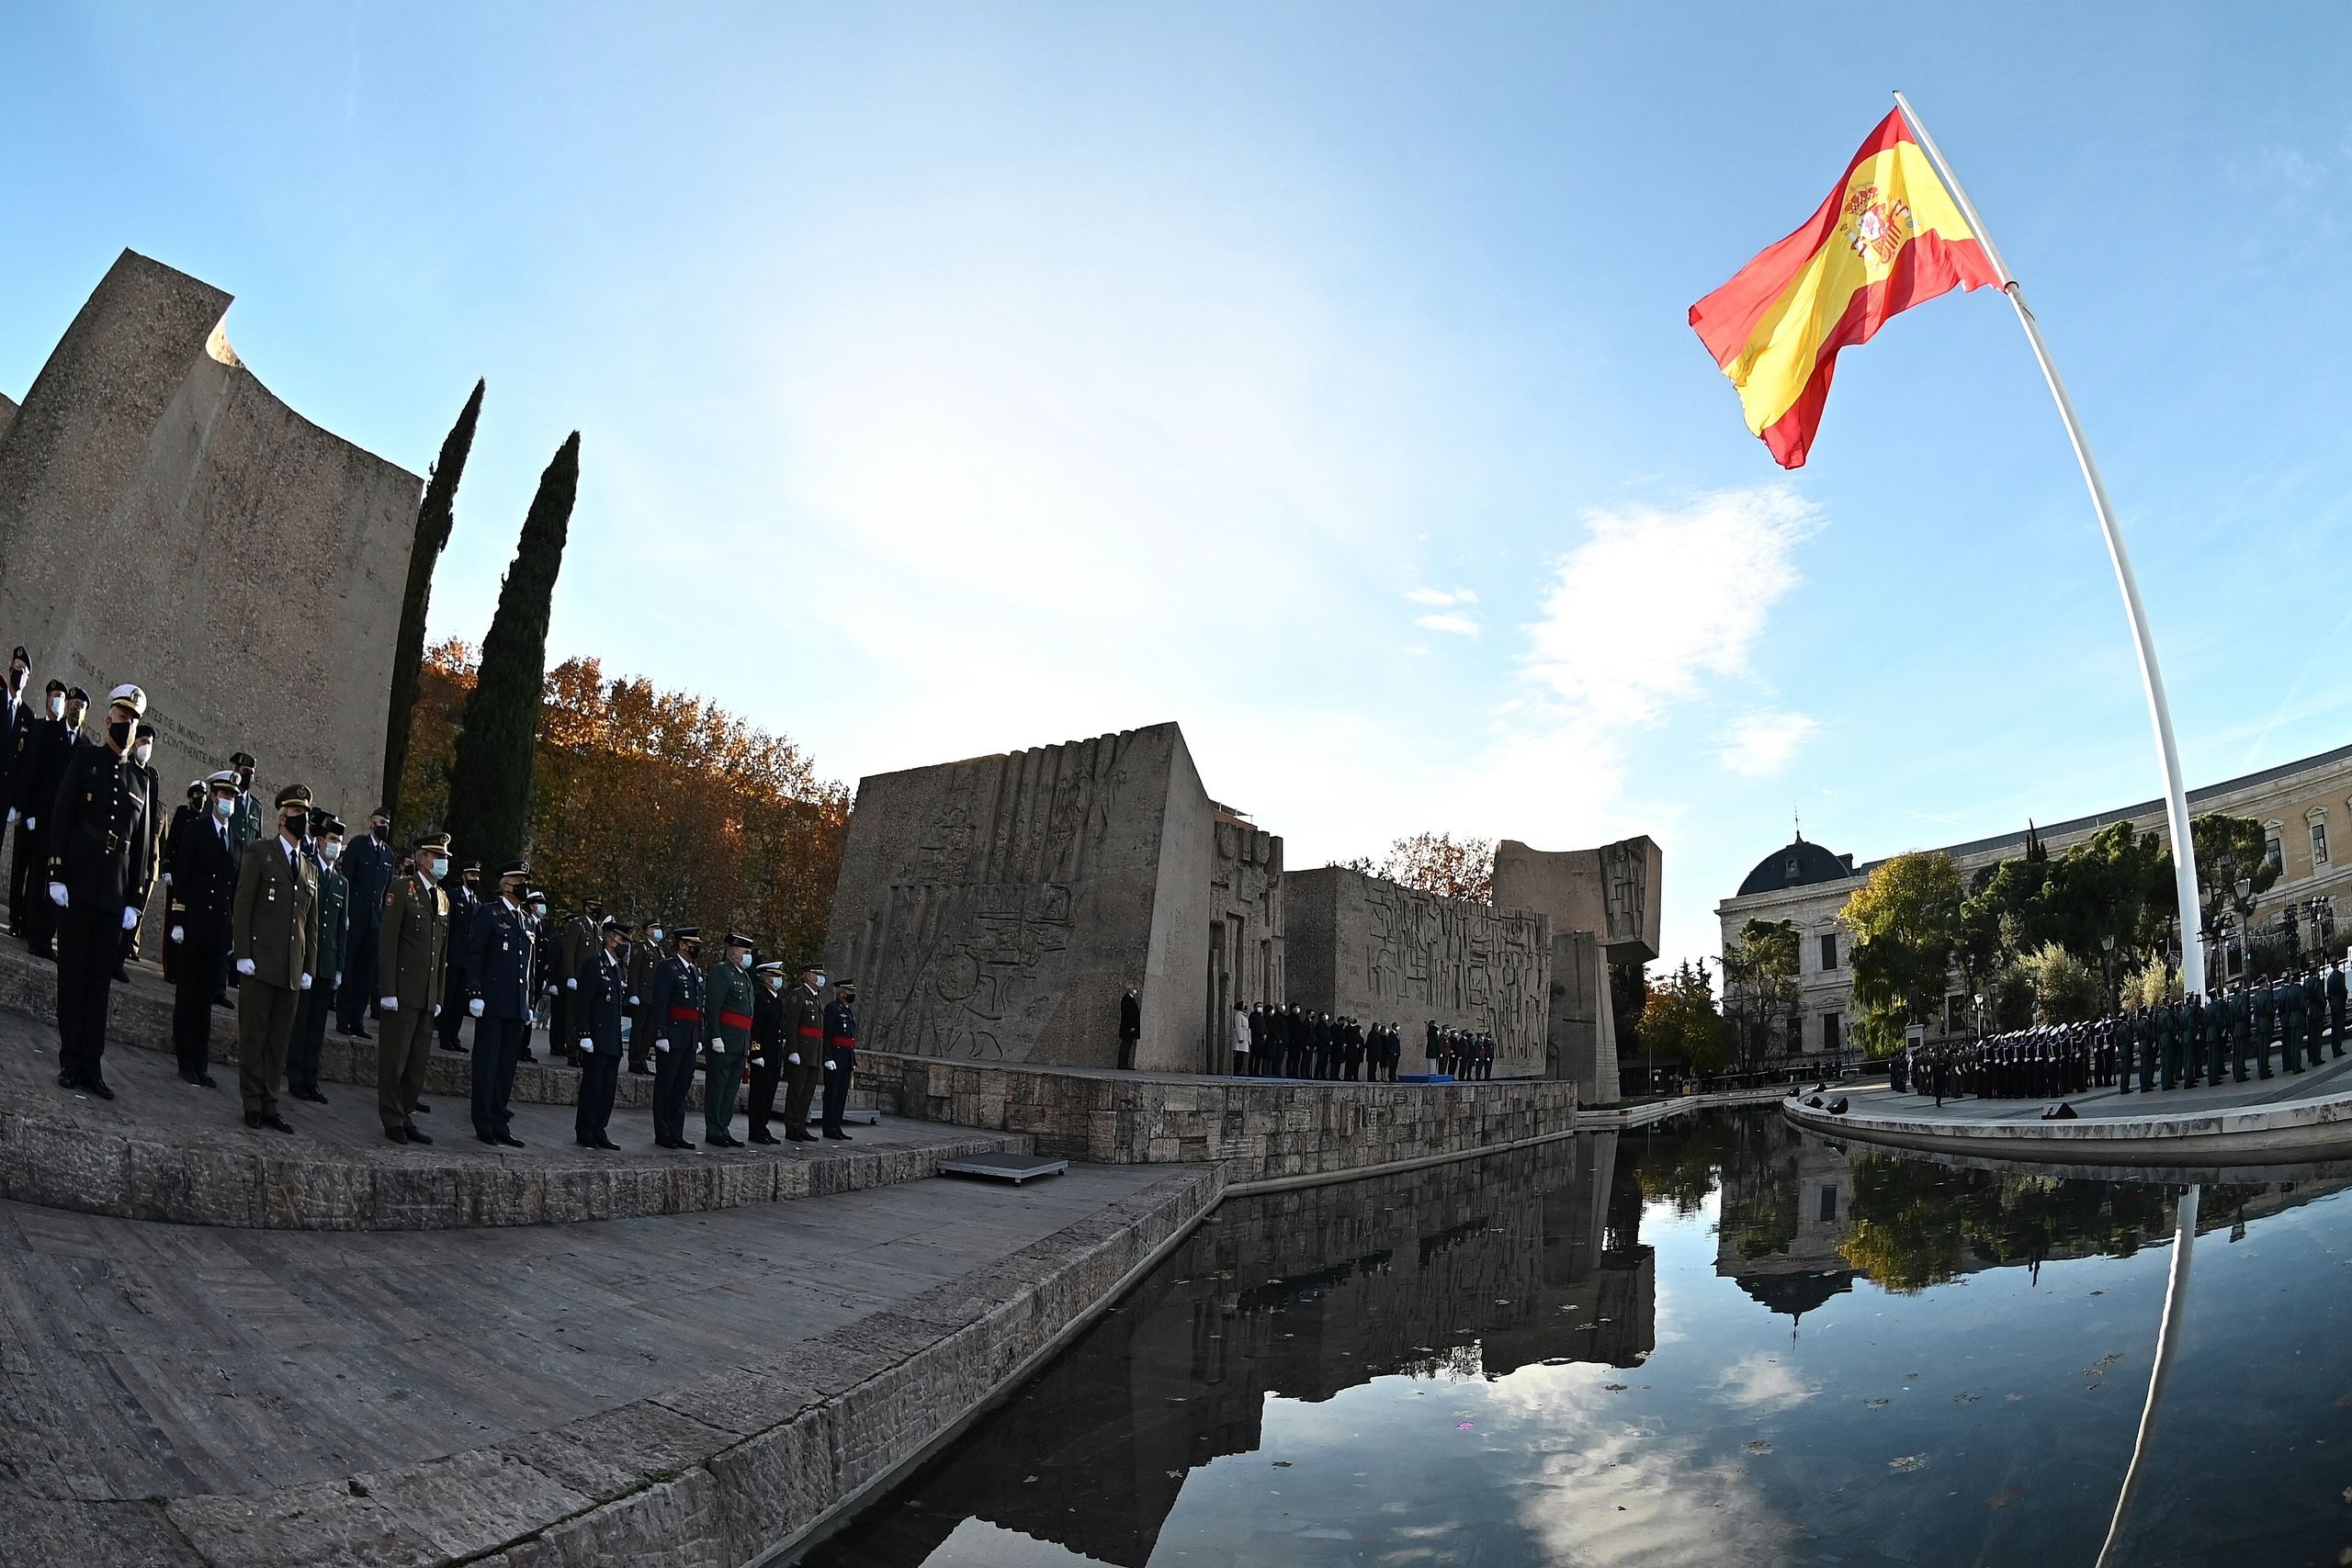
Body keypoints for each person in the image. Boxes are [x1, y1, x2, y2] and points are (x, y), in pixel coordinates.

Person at [45, 683, 156, 1098]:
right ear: (108, 720)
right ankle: (70, 1060)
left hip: (113, 895)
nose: (127, 725)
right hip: (77, 886)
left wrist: (135, 901)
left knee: (99, 985)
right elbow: (62, 816)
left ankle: (92, 1066)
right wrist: (56, 874)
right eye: (122, 717)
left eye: (133, 721)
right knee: (73, 977)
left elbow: (142, 847)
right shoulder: (86, 759)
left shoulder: (141, 781)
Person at [230, 784, 319, 1130]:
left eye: (305, 813)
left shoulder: (309, 868)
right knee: (254, 1035)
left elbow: (311, 923)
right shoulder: (260, 853)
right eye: (297, 812)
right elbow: (243, 904)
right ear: (282, 818)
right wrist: (243, 953)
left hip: (291, 968)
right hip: (261, 962)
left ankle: (270, 1102)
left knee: (279, 1041)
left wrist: (308, 966)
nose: (303, 819)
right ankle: (252, 1102)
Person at [376, 832, 451, 1145]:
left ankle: (405, 1113)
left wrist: (439, 994)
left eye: (445, 858)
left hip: (426, 994)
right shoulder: (402, 889)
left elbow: (441, 952)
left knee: (417, 1062)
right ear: (422, 859)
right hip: (403, 990)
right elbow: (389, 942)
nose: (443, 863)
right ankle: (391, 1117)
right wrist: (388, 990)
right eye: (438, 857)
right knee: (395, 1059)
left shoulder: (442, 898)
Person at [167, 772, 242, 1088]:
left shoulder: (236, 841)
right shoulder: (196, 830)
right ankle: (185, 1060)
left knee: (205, 1001)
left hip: (217, 930)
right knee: (187, 995)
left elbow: (234, 890)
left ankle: (201, 1062)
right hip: (194, 923)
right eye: (224, 795)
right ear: (213, 796)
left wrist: (232, 932)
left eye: (233, 796)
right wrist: (178, 919)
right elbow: (183, 875)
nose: (228, 801)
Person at [464, 860, 536, 1147]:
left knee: (506, 1068)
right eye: (520, 881)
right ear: (506, 885)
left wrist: (528, 1000)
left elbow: (527, 967)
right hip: (493, 1002)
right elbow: (476, 954)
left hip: (516, 1004)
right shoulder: (489, 913)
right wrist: (475, 991)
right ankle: (483, 1122)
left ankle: (499, 1120)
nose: (524, 886)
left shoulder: (526, 920)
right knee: (487, 1064)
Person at [17, 682, 84, 960]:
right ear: (67, 707)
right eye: (73, 705)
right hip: (44, 818)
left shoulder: (85, 746)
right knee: (37, 879)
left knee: (57, 881)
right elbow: (36, 773)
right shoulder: (51, 732)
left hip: (66, 828)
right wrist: (30, 811)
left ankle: (46, 936)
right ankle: (33, 934)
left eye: (81, 707)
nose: (76, 710)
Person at [286, 814, 349, 1104]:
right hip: (306, 960)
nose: (335, 845)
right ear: (321, 841)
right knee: (301, 1021)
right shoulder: (308, 870)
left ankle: (311, 1078)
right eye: (332, 840)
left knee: (317, 1026)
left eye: (339, 841)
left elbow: (341, 927)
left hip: (327, 961)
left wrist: (339, 967)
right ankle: (295, 1076)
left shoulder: (341, 882)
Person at [334, 807, 395, 1039]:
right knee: (349, 968)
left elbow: (386, 893)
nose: (384, 827)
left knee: (366, 973)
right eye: (380, 822)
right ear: (371, 822)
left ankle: (357, 1021)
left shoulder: (388, 855)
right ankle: (343, 1018)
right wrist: (345, 914)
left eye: (387, 823)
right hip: (355, 918)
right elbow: (347, 880)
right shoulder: (358, 845)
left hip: (374, 922)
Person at [645, 926, 706, 1149]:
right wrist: (661, 1033)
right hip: (672, 1036)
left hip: (689, 1038)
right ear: (682, 944)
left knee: (681, 1088)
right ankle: (663, 1132)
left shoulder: (695, 971)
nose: (696, 948)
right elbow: (661, 1002)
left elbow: (698, 1007)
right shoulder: (668, 967)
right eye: (693, 944)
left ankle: (676, 1132)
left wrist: (699, 1036)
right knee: (666, 1086)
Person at [571, 917, 628, 1150]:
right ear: (611, 940)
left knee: (607, 1090)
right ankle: (585, 1129)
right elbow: (583, 1001)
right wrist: (584, 1032)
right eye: (623, 940)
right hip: (596, 1037)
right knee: (592, 1088)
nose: (625, 946)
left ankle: (599, 1128)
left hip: (612, 1040)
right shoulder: (595, 964)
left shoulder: (617, 969)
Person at [114, 721, 162, 981]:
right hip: (124, 844)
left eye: (150, 744)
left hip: (141, 849)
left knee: (134, 905)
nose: (146, 747)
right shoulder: (126, 767)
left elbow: (150, 818)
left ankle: (119, 960)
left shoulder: (152, 776)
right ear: (134, 745)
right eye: (142, 742)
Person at [701, 931, 756, 1148]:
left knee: (731, 1088)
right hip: (724, 1040)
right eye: (746, 952)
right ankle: (713, 1129)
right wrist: (715, 1036)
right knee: (717, 1087)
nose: (749, 956)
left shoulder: (744, 976)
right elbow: (713, 1007)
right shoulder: (722, 972)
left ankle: (723, 1127)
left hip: (739, 1042)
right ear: (733, 953)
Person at [158, 777, 203, 984]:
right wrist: (167, 868)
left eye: (203, 795)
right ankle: (170, 967)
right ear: (190, 797)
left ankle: (181, 968)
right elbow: (171, 841)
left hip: (193, 880)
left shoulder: (204, 821)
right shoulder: (183, 815)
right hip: (177, 876)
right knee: (172, 921)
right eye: (197, 795)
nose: (201, 799)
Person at [437, 859, 481, 1053]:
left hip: (467, 960)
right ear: (464, 876)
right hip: (453, 955)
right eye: (472, 875)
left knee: (461, 1000)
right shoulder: (453, 897)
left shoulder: (476, 902)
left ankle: (454, 1035)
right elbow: (447, 926)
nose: (475, 879)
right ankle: (444, 1035)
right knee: (449, 996)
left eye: (477, 875)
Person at [746, 958, 789, 1144]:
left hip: (774, 1055)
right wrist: (756, 1052)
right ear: (767, 979)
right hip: (763, 1054)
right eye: (776, 977)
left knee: (769, 1095)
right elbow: (756, 1027)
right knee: (759, 1094)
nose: (779, 980)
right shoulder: (761, 998)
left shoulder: (777, 1000)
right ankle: (755, 1130)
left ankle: (763, 1127)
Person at [781, 961, 824, 1141]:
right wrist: (793, 1050)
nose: (821, 978)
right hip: (801, 1052)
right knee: (796, 1092)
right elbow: (792, 1025)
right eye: (818, 975)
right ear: (808, 976)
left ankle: (801, 1125)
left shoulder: (816, 997)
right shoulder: (798, 995)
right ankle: (791, 1126)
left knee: (807, 1093)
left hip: (814, 1053)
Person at [627, 916, 666, 1076]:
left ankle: (642, 1059)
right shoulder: (641, 947)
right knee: (638, 1029)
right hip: (642, 995)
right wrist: (633, 993)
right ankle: (634, 1061)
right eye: (655, 929)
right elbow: (633, 971)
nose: (658, 932)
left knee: (648, 1031)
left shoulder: (659, 951)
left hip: (653, 997)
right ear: (648, 931)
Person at [821, 975, 859, 1139]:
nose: (852, 994)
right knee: (832, 1092)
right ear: (841, 992)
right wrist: (827, 1056)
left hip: (846, 1057)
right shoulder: (833, 1008)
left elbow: (850, 1037)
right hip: (835, 1057)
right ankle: (829, 1126)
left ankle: (836, 1125)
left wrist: (852, 1058)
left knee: (841, 1094)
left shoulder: (847, 1010)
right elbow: (827, 1034)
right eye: (849, 991)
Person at [1117, 984, 1141, 1070]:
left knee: (1127, 1045)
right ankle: (1122, 1064)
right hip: (1128, 1027)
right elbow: (1128, 1014)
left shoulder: (1129, 998)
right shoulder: (1127, 999)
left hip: (1128, 1027)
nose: (1135, 991)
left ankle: (1124, 1063)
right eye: (1134, 989)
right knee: (1125, 1045)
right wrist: (1131, 1026)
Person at [1231, 1002, 1250, 1077]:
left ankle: (1239, 1070)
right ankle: (1237, 1070)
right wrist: (1240, 1037)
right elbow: (1238, 1026)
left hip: (1245, 1036)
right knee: (1239, 1055)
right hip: (1241, 1036)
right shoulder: (1238, 1015)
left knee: (1242, 1055)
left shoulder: (1244, 1015)